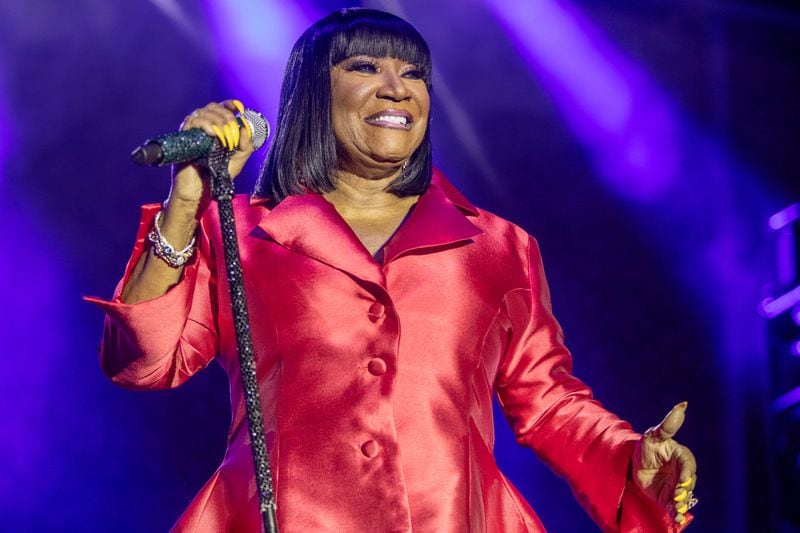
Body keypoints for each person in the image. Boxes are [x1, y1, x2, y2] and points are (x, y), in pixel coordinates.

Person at [87, 8, 698, 532]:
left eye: (413, 74)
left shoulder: (497, 245)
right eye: (364, 68)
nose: (397, 88)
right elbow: (143, 361)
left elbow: (547, 402)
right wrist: (188, 202)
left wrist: (628, 454)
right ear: (312, 94)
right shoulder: (240, 230)